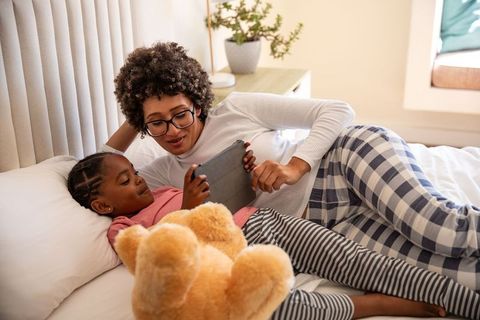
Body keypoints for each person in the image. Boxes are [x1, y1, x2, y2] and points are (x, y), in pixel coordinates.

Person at [105, 42, 480, 291]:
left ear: (198, 104)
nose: (172, 131)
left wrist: (295, 167)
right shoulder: (162, 172)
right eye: (157, 123)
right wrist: (138, 111)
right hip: (323, 224)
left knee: (443, 234)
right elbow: (94, 164)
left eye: (180, 114)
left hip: (344, 162)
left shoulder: (236, 109)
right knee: (452, 276)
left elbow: (338, 110)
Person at [67, 151, 480, 320]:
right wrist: (187, 209)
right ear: (102, 206)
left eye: (135, 172)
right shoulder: (122, 230)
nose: (139, 181)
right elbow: (159, 257)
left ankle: (463, 301)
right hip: (233, 263)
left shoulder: (158, 188)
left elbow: (106, 151)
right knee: (277, 309)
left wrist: (234, 175)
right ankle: (370, 305)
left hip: (263, 224)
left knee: (359, 261)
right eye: (125, 180)